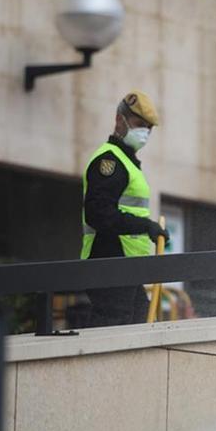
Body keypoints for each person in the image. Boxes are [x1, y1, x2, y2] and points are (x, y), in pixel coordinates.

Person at [80, 90, 169, 327]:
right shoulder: (109, 161)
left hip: (126, 264)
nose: (145, 133)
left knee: (140, 326)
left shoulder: (127, 163)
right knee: (113, 329)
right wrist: (145, 226)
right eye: (140, 125)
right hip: (110, 259)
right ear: (120, 120)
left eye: (149, 129)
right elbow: (99, 213)